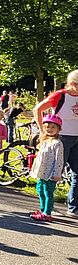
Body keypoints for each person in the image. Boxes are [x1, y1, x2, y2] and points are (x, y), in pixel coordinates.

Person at [32, 70, 78, 217]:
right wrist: (43, 131)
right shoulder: (60, 95)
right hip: (61, 138)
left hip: (76, 138)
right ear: (72, 84)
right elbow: (37, 109)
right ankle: (47, 208)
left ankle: (73, 207)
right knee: (53, 173)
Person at [29, 114, 64, 222]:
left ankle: (47, 213)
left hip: (50, 174)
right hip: (42, 172)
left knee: (48, 192)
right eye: (47, 127)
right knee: (40, 190)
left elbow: (59, 160)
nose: (50, 129)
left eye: (53, 127)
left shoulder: (57, 143)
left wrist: (57, 174)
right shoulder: (45, 141)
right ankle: (42, 209)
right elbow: (40, 158)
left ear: (58, 129)